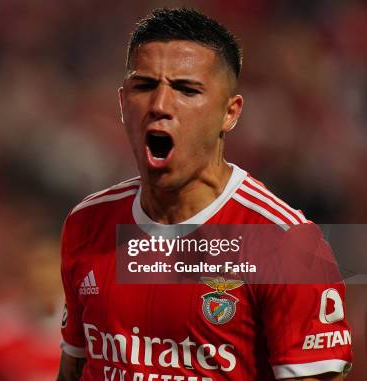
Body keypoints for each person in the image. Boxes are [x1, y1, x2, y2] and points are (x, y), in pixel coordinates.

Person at [57, 8, 352, 381]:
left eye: (187, 89)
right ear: (121, 102)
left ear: (230, 113)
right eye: (144, 86)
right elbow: (74, 369)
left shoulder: (285, 243)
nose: (160, 106)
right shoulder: (86, 223)